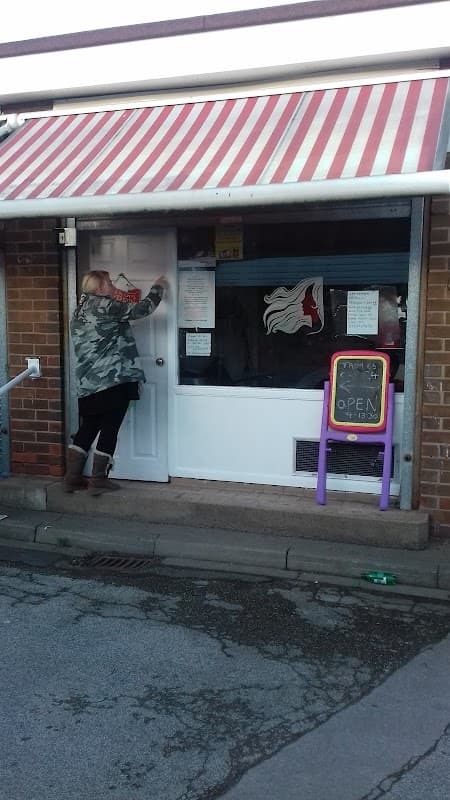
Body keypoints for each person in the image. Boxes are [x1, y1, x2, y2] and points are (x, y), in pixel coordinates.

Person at [63, 270, 168, 495]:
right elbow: (141, 309)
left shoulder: (79, 310)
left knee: (89, 426)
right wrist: (157, 289)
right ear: (99, 288)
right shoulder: (105, 306)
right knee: (110, 426)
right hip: (112, 378)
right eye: (109, 283)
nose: (112, 286)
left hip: (88, 382)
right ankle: (99, 479)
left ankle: (72, 478)